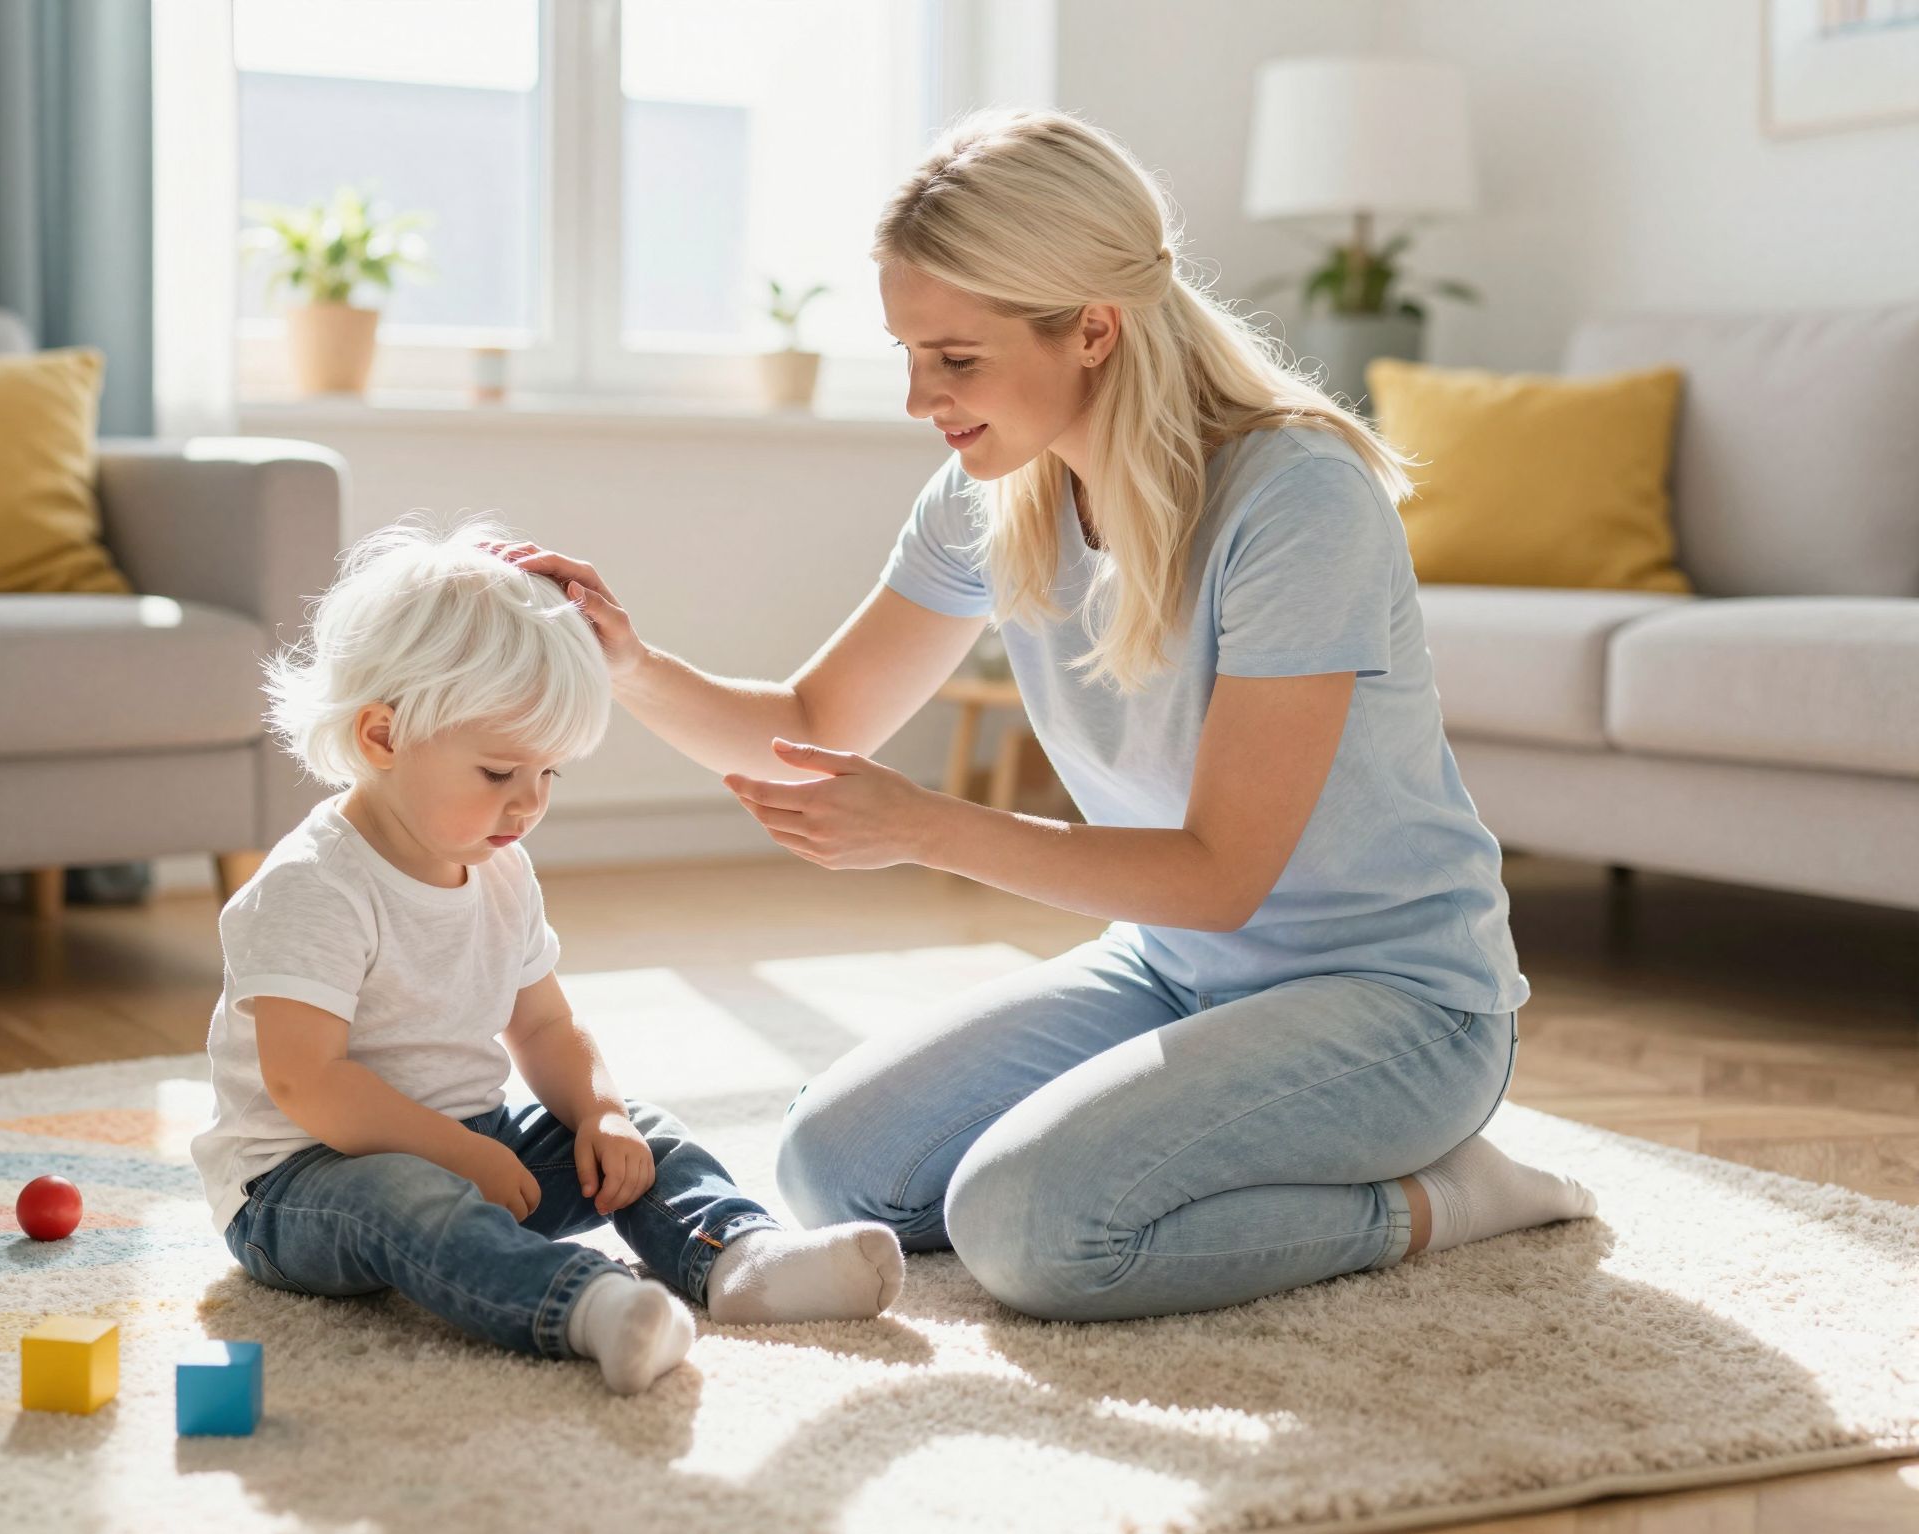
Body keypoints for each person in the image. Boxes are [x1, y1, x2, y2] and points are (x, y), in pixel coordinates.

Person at [496, 108, 1595, 1325]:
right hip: (1174, 970)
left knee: (1030, 1229)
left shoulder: (1295, 500)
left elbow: (1221, 873)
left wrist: (925, 827)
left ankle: (1445, 1198)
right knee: (832, 1165)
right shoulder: (995, 491)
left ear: (1091, 327)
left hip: (1396, 1001)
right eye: (909, 353)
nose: (921, 397)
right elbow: (815, 719)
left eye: (955, 359)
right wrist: (627, 661)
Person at [190, 520, 904, 1395]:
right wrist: (457, 1155)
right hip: (303, 1184)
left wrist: (600, 1111)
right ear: (383, 738)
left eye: (549, 776)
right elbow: (309, 1083)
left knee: (639, 1137)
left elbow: (547, 1023)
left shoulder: (500, 869)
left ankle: (740, 1259)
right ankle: (585, 1307)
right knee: (408, 1203)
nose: (528, 804)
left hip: (470, 1140)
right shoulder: (313, 887)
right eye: (498, 773)